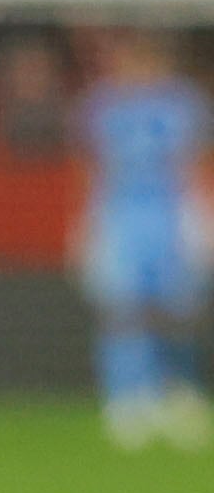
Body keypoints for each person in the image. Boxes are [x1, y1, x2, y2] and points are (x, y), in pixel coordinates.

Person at [78, 32, 213, 450]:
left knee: (179, 307)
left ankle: (178, 391)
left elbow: (194, 163)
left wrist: (200, 216)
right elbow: (90, 168)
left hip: (171, 215)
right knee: (123, 308)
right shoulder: (103, 106)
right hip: (121, 216)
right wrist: (87, 223)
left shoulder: (183, 104)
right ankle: (127, 396)